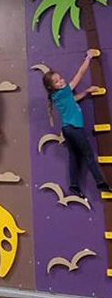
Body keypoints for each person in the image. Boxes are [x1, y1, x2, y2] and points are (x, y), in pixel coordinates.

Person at [42, 49, 112, 198]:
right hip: (74, 129)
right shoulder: (63, 91)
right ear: (51, 87)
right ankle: (100, 182)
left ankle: (74, 185)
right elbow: (79, 74)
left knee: (74, 157)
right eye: (57, 82)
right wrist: (88, 57)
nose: (61, 82)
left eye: (61, 79)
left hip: (67, 129)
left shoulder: (58, 95)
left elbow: (74, 99)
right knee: (88, 155)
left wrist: (86, 91)